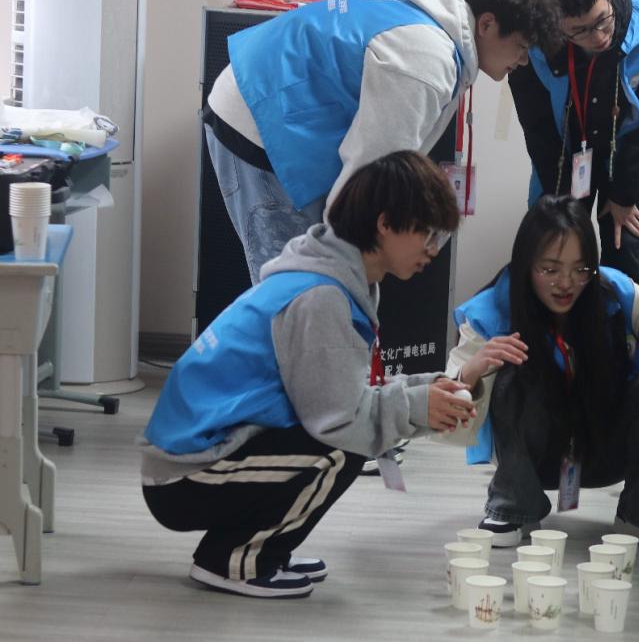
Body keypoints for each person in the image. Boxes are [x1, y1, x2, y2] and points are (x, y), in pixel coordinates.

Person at [139, 151, 474, 599]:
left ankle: (264, 548)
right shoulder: (322, 296)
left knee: (342, 436)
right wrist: (417, 406)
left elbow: (339, 389)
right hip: (183, 478)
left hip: (195, 462)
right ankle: (232, 561)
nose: (433, 250)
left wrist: (424, 389)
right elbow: (339, 419)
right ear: (385, 223)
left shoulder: (329, 278)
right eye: (427, 234)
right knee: (340, 449)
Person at [203, 0, 559, 284]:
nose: (524, 61)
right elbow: (367, 178)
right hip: (256, 119)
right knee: (298, 288)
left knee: (322, 273)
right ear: (487, 24)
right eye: (521, 46)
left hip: (272, 105)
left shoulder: (432, 20)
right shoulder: (423, 58)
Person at [446, 195, 639, 551]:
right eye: (550, 269)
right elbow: (444, 411)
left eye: (581, 269)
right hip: (535, 459)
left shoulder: (616, 291)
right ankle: (514, 506)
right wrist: (472, 371)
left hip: (607, 448)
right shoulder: (491, 311)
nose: (566, 283)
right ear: (525, 264)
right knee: (514, 380)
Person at [508, 0, 639, 291]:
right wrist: (560, 203)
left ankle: (624, 326)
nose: (598, 37)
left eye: (602, 21)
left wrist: (624, 195)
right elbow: (537, 126)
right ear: (557, 26)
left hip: (629, 153)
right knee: (557, 252)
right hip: (564, 150)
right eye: (579, 31)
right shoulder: (532, 33)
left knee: (625, 254)